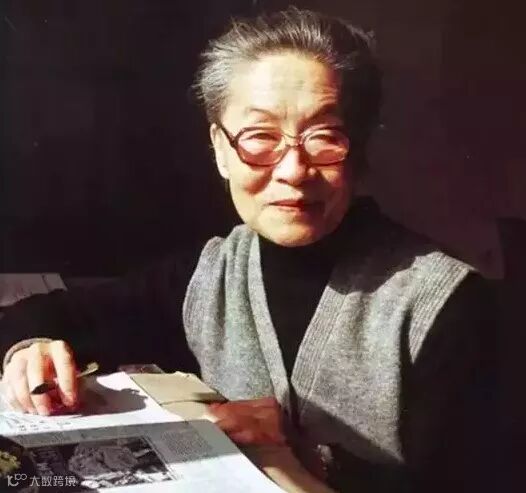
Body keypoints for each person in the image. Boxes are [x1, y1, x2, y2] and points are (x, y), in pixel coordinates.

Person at [0, 8, 500, 492]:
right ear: (221, 150)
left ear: (359, 150)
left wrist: (301, 456)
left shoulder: (445, 301)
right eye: (260, 137)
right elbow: (45, 315)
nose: (293, 171)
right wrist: (30, 349)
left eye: (324, 136)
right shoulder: (212, 272)